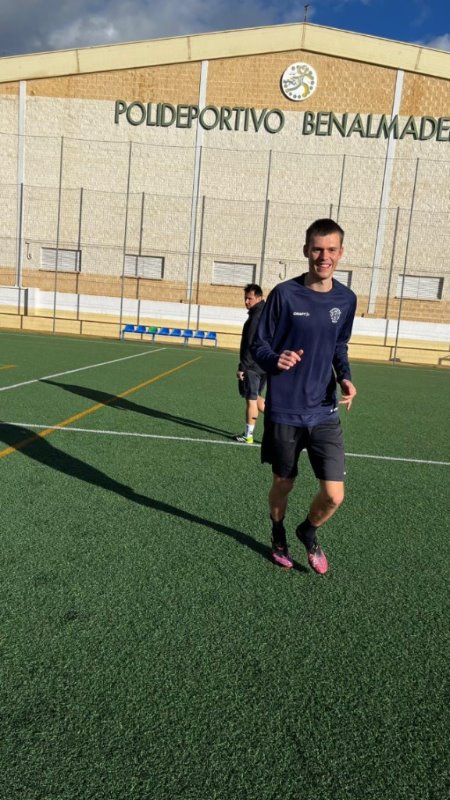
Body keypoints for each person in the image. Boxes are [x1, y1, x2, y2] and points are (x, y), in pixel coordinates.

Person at [251, 218, 357, 574]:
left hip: (324, 410)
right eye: (317, 249)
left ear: (340, 253)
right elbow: (259, 345)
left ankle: (308, 531)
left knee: (334, 494)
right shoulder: (284, 294)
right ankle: (278, 532)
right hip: (284, 410)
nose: (324, 257)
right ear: (306, 251)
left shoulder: (346, 299)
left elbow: (339, 345)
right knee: (284, 482)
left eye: (331, 250)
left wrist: (345, 377)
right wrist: (275, 359)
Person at [234, 284, 267, 445]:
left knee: (251, 399)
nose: (246, 301)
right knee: (257, 396)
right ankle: (280, 421)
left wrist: (243, 367)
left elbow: (250, 344)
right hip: (264, 364)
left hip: (253, 366)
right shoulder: (265, 313)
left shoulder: (256, 317)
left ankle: (248, 435)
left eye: (250, 298)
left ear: (259, 298)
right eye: (245, 298)